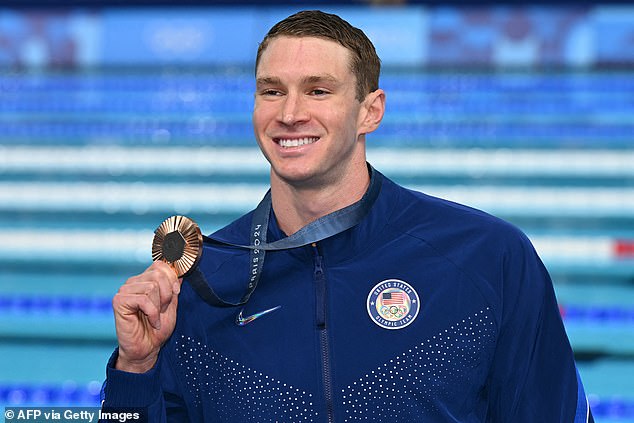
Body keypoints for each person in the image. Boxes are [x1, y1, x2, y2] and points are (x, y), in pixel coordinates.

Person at [101, 10, 594, 422]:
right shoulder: (201, 283)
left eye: (318, 91)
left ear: (370, 112)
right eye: (272, 91)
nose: (290, 113)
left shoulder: (487, 257)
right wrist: (136, 368)